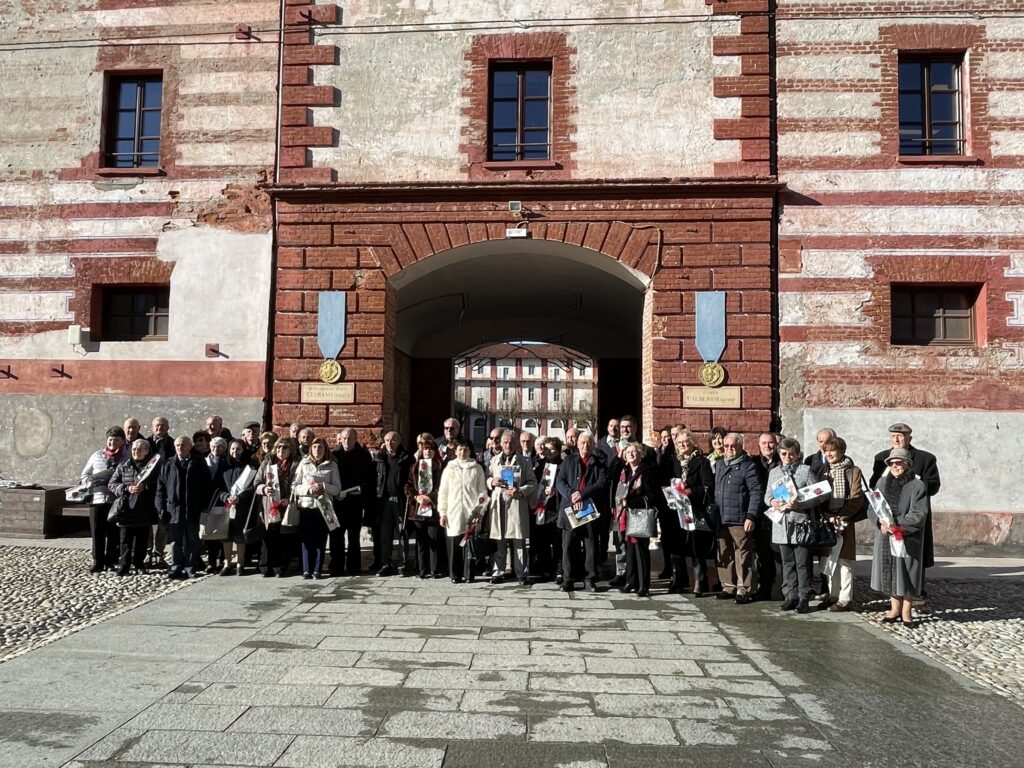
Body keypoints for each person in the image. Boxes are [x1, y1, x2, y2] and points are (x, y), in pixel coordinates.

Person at [870, 447, 930, 627]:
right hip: (886, 537)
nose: (895, 466)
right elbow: (872, 508)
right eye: (892, 463)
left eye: (899, 462)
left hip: (907, 537)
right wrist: (880, 523)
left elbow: (919, 514)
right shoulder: (881, 483)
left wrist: (898, 525)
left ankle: (906, 611)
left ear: (907, 464)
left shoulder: (917, 486)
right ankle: (894, 608)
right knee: (890, 572)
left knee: (907, 572)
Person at [869, 423, 940, 571]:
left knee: (914, 553)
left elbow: (933, 485)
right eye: (893, 436)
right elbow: (873, 484)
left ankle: (917, 588)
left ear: (909, 438)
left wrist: (913, 484)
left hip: (911, 512)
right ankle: (893, 589)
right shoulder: (881, 457)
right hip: (887, 516)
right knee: (887, 555)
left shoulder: (925, 458)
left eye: (900, 436)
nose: (896, 439)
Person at [765, 438, 821, 613]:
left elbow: (819, 494)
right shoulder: (774, 472)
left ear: (797, 455)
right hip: (782, 525)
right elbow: (767, 496)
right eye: (783, 454)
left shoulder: (805, 471)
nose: (787, 457)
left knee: (802, 563)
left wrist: (801, 503)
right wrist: (772, 501)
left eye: (791, 454)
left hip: (801, 524)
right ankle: (792, 595)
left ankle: (804, 597)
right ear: (779, 454)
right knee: (787, 563)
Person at [659, 429, 715, 595]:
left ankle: (699, 581)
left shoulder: (702, 462)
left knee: (695, 547)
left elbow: (707, 486)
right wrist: (669, 493)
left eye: (686, 442)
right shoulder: (671, 462)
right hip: (675, 511)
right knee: (676, 547)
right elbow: (664, 483)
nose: (683, 445)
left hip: (694, 510)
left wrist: (691, 491)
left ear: (693, 444)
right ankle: (678, 580)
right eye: (680, 443)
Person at [555, 431, 608, 592]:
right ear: (577, 444)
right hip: (570, 508)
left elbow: (600, 484)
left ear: (593, 445)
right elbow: (560, 481)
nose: (586, 446)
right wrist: (573, 494)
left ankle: (590, 579)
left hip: (589, 508)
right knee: (568, 545)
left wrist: (582, 495)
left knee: (590, 545)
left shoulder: (600, 462)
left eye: (589, 443)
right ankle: (568, 579)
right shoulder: (569, 460)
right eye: (583, 443)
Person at [713, 433, 763, 604]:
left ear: (741, 446)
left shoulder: (748, 466)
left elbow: (756, 492)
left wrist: (751, 516)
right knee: (724, 553)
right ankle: (728, 586)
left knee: (743, 554)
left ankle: (744, 588)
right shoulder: (720, 464)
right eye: (726, 446)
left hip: (740, 517)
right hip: (721, 517)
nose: (729, 449)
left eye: (733, 446)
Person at [156, 435, 215, 579]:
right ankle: (176, 566)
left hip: (193, 508)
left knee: (192, 539)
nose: (180, 448)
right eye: (177, 445)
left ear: (190, 447)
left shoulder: (199, 462)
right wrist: (161, 508)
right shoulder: (168, 463)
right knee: (175, 540)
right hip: (174, 509)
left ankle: (190, 566)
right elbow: (160, 488)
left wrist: (204, 507)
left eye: (183, 445)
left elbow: (207, 487)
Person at [486, 430, 538, 585]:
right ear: (501, 444)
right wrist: (492, 482)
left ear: (516, 444)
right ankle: (498, 572)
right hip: (499, 504)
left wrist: (520, 491)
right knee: (499, 540)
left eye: (511, 442)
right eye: (505, 442)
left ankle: (521, 573)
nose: (508, 445)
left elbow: (533, 482)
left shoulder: (524, 461)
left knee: (519, 541)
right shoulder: (494, 460)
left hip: (516, 503)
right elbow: (487, 477)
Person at [820, 436, 865, 612]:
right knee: (829, 559)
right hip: (827, 520)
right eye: (826, 450)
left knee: (844, 561)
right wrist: (827, 516)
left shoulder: (853, 471)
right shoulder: (822, 471)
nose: (829, 454)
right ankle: (832, 595)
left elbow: (856, 498)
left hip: (845, 521)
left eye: (833, 450)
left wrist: (842, 515)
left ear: (841, 451)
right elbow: (818, 496)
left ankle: (845, 598)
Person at [437, 438, 488, 583]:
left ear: (470, 451)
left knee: (469, 543)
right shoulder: (449, 468)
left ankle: (469, 574)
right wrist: (443, 512)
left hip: (470, 511)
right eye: (459, 449)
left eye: (465, 449)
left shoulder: (476, 468)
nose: (462, 452)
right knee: (454, 543)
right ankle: (455, 574)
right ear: (455, 451)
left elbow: (482, 492)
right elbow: (443, 492)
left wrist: (479, 512)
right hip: (453, 511)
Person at [80, 426, 129, 573]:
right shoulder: (96, 456)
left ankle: (111, 561)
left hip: (116, 500)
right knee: (97, 532)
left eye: (116, 440)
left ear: (122, 441)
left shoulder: (127, 457)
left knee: (114, 532)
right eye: (110, 440)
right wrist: (90, 480)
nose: (112, 442)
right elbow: (84, 475)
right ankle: (98, 561)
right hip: (97, 499)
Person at [616, 441, 661, 597]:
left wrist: (630, 502)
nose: (631, 454)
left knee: (641, 551)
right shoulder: (625, 472)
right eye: (628, 452)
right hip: (626, 516)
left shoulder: (647, 472)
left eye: (634, 451)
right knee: (629, 550)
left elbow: (652, 496)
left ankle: (644, 585)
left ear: (640, 455)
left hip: (640, 515)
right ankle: (631, 581)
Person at [108, 438, 159, 576]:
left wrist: (145, 487)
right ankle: (124, 565)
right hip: (126, 508)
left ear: (146, 451)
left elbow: (158, 484)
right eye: (134, 449)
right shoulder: (123, 465)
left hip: (144, 508)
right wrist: (126, 488)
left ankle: (139, 564)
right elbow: (112, 484)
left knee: (142, 539)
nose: (136, 451)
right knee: (125, 540)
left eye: (140, 449)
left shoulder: (152, 468)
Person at [293, 437, 341, 579]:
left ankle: (317, 570)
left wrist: (324, 487)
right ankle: (306, 569)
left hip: (324, 506)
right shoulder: (304, 463)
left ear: (325, 449)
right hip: (307, 505)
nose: (317, 450)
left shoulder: (332, 465)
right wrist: (308, 490)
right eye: (314, 447)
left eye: (320, 447)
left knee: (321, 539)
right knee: (306, 539)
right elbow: (295, 486)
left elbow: (337, 489)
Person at [330, 428, 374, 576]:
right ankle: (336, 566)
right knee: (336, 535)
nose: (346, 442)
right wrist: (334, 493)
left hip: (355, 501)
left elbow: (370, 477)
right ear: (340, 439)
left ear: (356, 439)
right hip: (338, 501)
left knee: (354, 536)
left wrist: (362, 489)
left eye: (349, 438)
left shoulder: (363, 455)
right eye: (344, 439)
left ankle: (354, 566)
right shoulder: (334, 454)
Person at [254, 438, 299, 577]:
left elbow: (298, 483)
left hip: (286, 505)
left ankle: (280, 567)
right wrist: (264, 489)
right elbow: (257, 482)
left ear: (290, 450)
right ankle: (265, 566)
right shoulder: (267, 462)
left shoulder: (295, 465)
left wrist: (289, 498)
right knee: (268, 536)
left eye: (284, 449)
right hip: (270, 505)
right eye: (278, 448)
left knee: (284, 536)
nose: (281, 451)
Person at [374, 431, 414, 576]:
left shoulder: (407, 458)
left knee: (402, 532)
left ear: (399, 442)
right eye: (387, 440)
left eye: (393, 441)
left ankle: (402, 563)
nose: (390, 444)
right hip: (384, 500)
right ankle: (385, 563)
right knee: (385, 534)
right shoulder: (380, 459)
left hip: (401, 499)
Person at [216, 439, 257, 575]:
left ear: (243, 450)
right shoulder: (224, 466)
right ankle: (227, 563)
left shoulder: (249, 466)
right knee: (226, 535)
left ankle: (240, 563)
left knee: (240, 535)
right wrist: (225, 497)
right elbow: (217, 487)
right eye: (232, 448)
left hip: (242, 506)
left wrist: (240, 497)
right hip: (227, 505)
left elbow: (253, 487)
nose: (235, 451)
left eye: (238, 448)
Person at [406, 434, 444, 579]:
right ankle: (422, 568)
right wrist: (416, 496)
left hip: (433, 508)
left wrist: (431, 497)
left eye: (430, 449)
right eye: (425, 449)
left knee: (433, 539)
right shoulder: (415, 467)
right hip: (419, 509)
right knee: (421, 541)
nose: (427, 451)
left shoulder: (440, 467)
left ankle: (434, 569)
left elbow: (442, 486)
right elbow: (408, 486)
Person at [753, 432, 781, 601]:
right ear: (759, 445)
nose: (767, 446)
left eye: (770, 443)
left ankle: (783, 588)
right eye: (764, 443)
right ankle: (764, 587)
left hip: (778, 513)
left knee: (780, 554)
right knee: (762, 554)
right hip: (760, 514)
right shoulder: (753, 463)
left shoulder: (781, 462)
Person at [531, 436, 564, 582]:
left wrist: (555, 490)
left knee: (557, 541)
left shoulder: (563, 465)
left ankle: (559, 569)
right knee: (543, 540)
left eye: (552, 449)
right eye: (547, 448)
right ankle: (545, 568)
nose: (549, 451)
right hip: (542, 508)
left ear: (558, 450)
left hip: (556, 508)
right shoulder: (540, 465)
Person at [145, 417, 175, 567]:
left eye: (163, 425)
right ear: (152, 427)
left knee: (163, 522)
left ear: (168, 427)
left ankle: (159, 553)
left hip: (166, 489)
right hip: (148, 488)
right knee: (148, 523)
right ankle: (148, 552)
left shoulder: (173, 444)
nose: (160, 428)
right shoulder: (146, 443)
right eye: (157, 425)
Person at [202, 437, 229, 573]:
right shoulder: (204, 462)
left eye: (219, 447)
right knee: (211, 534)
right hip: (209, 500)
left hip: (223, 500)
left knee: (223, 533)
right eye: (213, 447)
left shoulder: (228, 462)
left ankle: (222, 560)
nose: (216, 449)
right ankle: (211, 562)